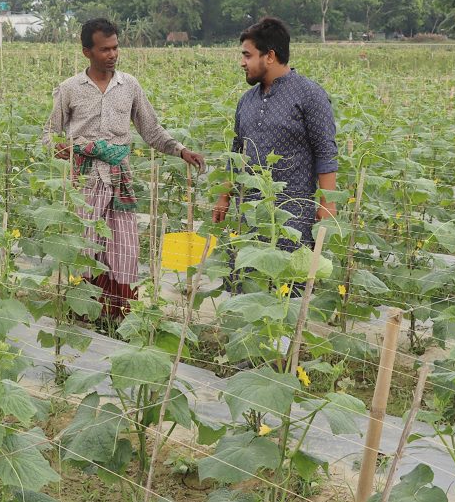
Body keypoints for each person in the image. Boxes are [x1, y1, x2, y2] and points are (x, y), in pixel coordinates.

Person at [44, 18, 205, 319]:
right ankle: (84, 314)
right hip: (85, 182)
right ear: (87, 52)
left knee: (124, 249)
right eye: (104, 49)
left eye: (115, 48)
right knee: (86, 247)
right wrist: (59, 147)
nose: (112, 54)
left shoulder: (129, 85)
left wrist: (181, 150)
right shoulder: (69, 89)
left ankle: (118, 317)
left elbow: (151, 129)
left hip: (120, 181)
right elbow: (49, 133)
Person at [213, 17, 339, 255]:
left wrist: (327, 204)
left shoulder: (309, 95)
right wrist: (223, 197)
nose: (242, 62)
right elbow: (236, 152)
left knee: (289, 275)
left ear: (270, 56)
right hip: (249, 213)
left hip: (293, 216)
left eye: (248, 55)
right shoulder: (246, 100)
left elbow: (325, 151)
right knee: (246, 272)